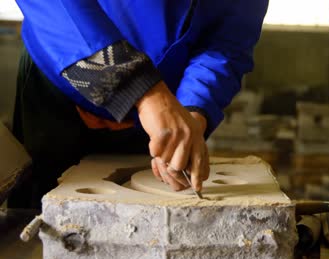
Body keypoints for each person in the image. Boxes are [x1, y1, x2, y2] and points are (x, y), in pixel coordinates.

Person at [9, 1, 269, 209]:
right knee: (46, 217)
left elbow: (228, 40)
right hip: (62, 78)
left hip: (162, 108)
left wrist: (194, 110)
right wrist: (138, 88)